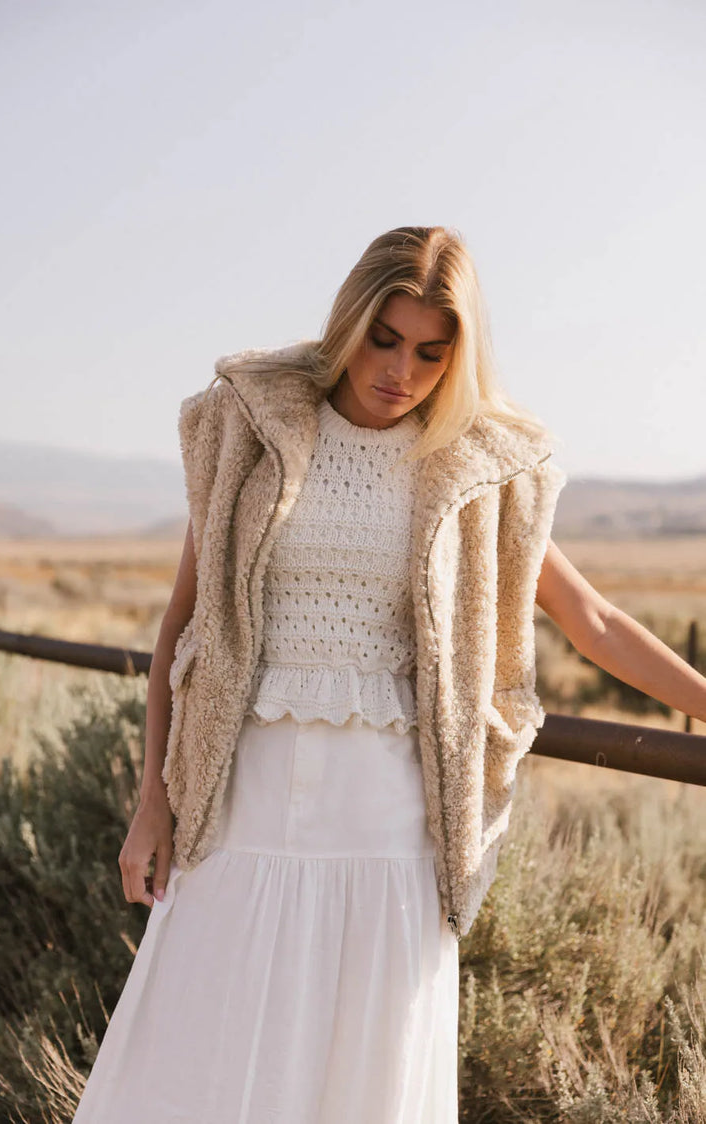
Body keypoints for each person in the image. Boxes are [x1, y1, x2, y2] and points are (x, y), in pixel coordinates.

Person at [72, 226, 706, 1123]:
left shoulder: (468, 469)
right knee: (199, 1058)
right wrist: (152, 801)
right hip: (240, 802)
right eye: (384, 338)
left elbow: (592, 620)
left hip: (388, 821)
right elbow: (185, 622)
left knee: (358, 1077)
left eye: (430, 353)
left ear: (457, 360)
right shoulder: (255, 428)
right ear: (349, 322)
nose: (399, 370)